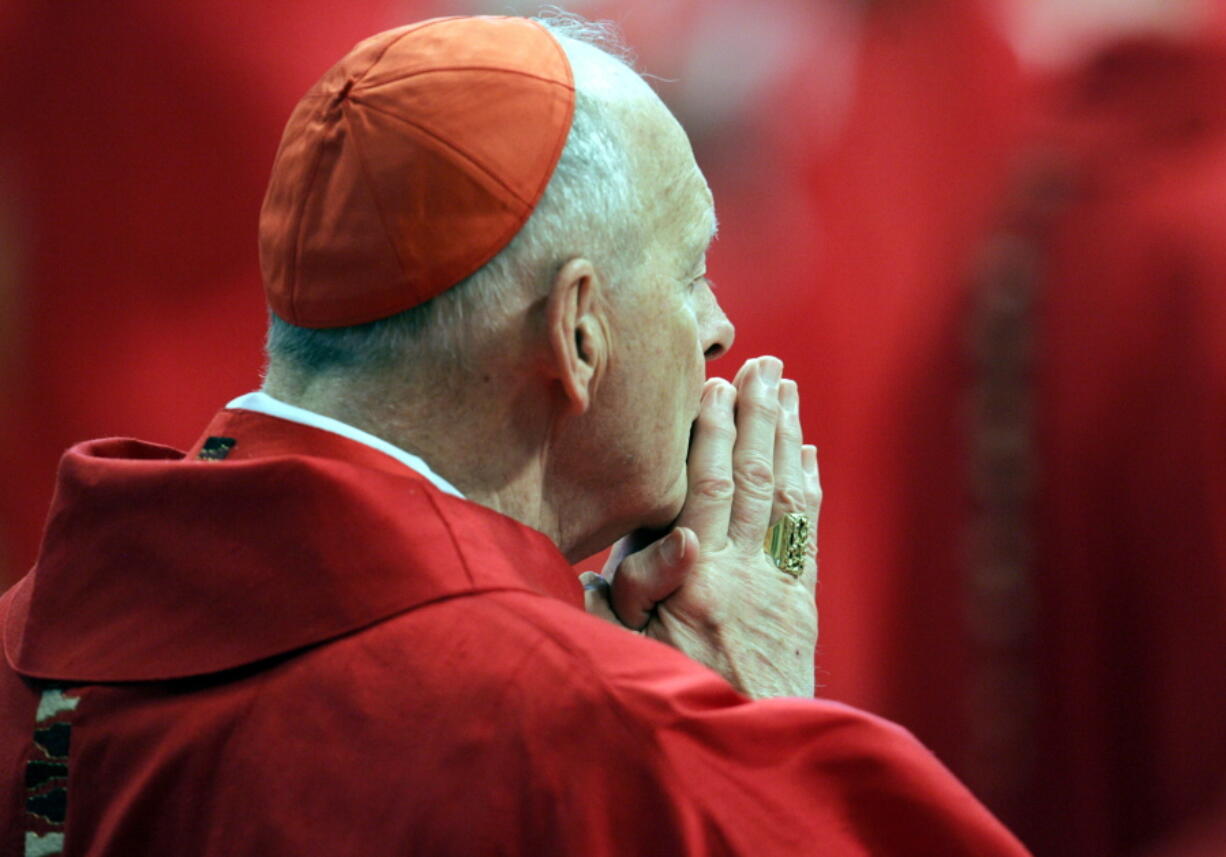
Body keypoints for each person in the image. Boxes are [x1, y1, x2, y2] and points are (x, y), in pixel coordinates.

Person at [0, 14, 1029, 856]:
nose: (719, 328)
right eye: (690, 273)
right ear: (576, 331)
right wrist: (755, 734)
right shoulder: (610, 750)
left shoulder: (27, 647)